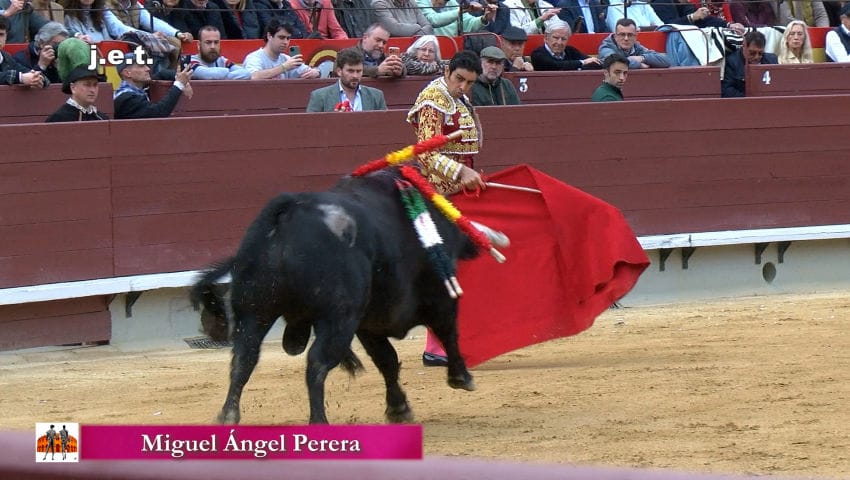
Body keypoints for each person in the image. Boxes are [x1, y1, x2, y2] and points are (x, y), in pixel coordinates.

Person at [407, 50, 510, 366]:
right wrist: (460, 173)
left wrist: (468, 175)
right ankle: (435, 346)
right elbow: (425, 154)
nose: (464, 87)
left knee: (458, 267)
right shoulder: (432, 98)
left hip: (459, 192)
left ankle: (447, 341)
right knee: (443, 269)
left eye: (469, 82)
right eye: (459, 80)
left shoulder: (461, 99)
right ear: (447, 72)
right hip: (435, 195)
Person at [113, 51, 194, 118]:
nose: (148, 69)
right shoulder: (127, 99)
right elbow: (158, 112)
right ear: (127, 73)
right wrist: (179, 84)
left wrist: (181, 79)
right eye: (141, 66)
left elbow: (162, 74)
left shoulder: (135, 89)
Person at [306, 47, 386, 111]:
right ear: (339, 71)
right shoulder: (320, 97)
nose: (355, 76)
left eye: (359, 71)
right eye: (350, 71)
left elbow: (387, 126)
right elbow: (310, 127)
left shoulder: (376, 96)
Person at [242, 19, 320, 78]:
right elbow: (253, 76)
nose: (285, 42)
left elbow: (309, 71)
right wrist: (284, 67)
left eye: (288, 38)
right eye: (281, 37)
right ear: (269, 36)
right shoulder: (254, 58)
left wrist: (316, 72)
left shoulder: (286, 59)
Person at [721, 30, 777, 98]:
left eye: (760, 53)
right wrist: (750, 100)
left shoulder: (772, 60)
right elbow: (727, 90)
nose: (756, 57)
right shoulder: (732, 62)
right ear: (744, 46)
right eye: (752, 53)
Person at [598, 18, 670, 69]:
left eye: (630, 35)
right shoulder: (606, 47)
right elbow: (615, 63)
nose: (626, 38)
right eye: (622, 34)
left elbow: (666, 61)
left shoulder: (636, 47)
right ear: (615, 36)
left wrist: (642, 58)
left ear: (635, 36)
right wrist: (639, 64)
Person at [530, 20, 601, 70]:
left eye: (563, 39)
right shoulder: (538, 54)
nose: (559, 42)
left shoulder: (570, 51)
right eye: (556, 38)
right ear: (546, 37)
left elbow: (592, 62)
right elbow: (555, 66)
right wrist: (582, 63)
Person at [0, 16, 48, 87]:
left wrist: (37, 77)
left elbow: (25, 71)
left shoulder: (6, 57)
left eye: (1, 35)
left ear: (6, 36)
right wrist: (20, 78)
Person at [416, 0, 498, 36]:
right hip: (428, 48)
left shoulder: (451, 2)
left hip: (453, 45)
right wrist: (462, 10)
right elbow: (433, 20)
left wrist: (484, 18)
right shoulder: (419, 1)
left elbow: (468, 22)